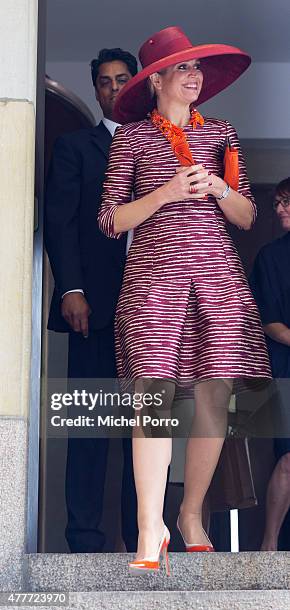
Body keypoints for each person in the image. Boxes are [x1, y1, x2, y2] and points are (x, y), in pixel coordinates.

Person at [98, 26, 271, 573]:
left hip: (218, 277)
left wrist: (221, 189)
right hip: (155, 280)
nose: (194, 77)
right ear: (156, 82)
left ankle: (191, 516)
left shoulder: (222, 135)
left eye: (198, 69)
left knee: (213, 398)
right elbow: (110, 220)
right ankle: (151, 530)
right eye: (182, 68)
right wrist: (168, 191)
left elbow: (247, 216)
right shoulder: (132, 139)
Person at [44, 47, 139, 553]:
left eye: (123, 79)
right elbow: (60, 222)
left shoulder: (158, 145)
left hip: (151, 313)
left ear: (137, 84)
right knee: (90, 429)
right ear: (97, 90)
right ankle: (83, 540)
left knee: (147, 432)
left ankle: (145, 535)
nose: (114, 87)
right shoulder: (76, 147)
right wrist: (72, 289)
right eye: (104, 81)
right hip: (93, 311)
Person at [250, 177, 290, 550]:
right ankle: (270, 545)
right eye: (277, 203)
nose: (278, 210)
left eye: (285, 203)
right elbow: (270, 322)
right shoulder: (271, 258)